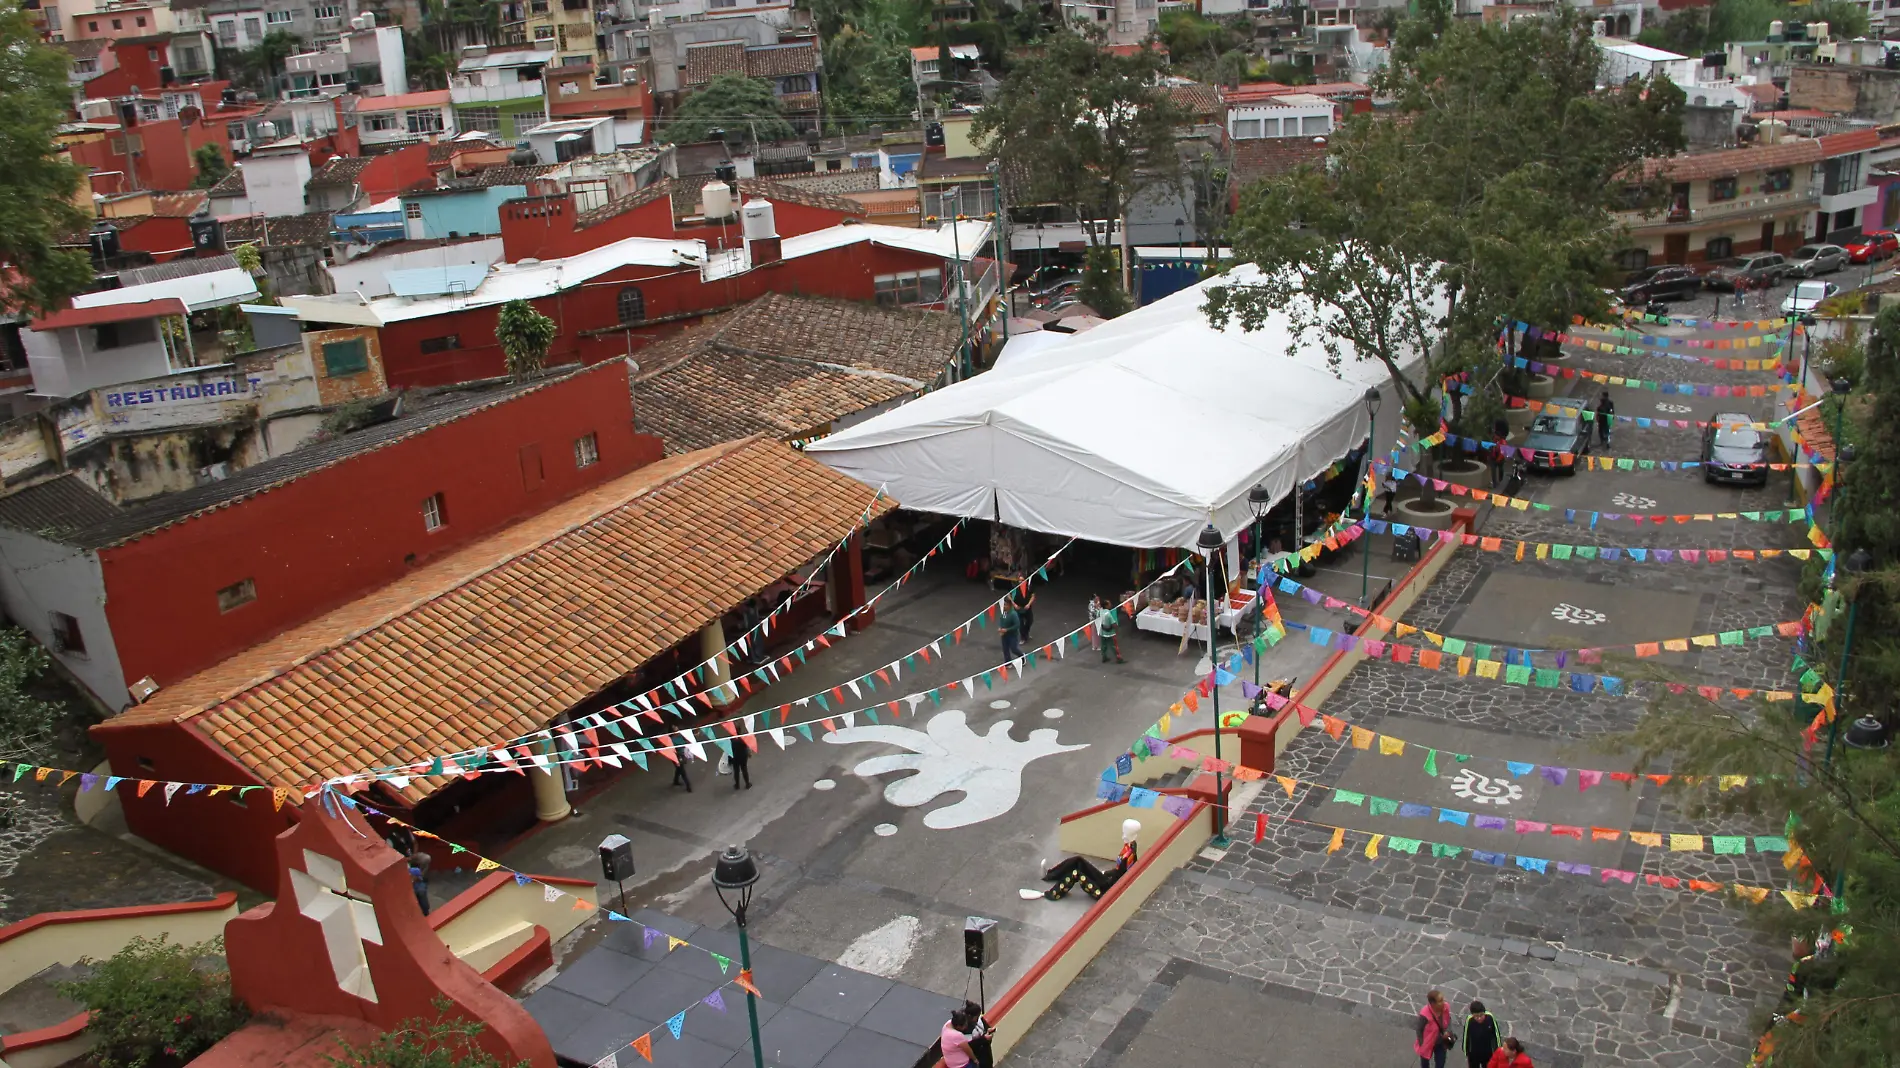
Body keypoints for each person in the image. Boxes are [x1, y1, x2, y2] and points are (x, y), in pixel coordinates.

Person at [1043, 819, 1139, 900]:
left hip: (1106, 890)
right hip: (1107, 881)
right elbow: (1119, 872)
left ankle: (1053, 894)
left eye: (1124, 832)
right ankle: (1051, 874)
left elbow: (1121, 876)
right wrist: (1105, 873)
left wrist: (1105, 876)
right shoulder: (1131, 847)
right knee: (1078, 860)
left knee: (1076, 873)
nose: (1123, 835)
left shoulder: (1128, 855)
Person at [1415, 990, 1454, 1068]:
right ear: (1433, 1003)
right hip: (1428, 1042)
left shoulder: (1445, 1007)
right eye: (1440, 1001)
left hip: (1441, 1041)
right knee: (1425, 1063)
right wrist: (1421, 1043)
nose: (1444, 1002)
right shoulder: (1425, 1014)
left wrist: (1448, 1031)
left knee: (1440, 1063)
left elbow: (1448, 1019)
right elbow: (1419, 1029)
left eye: (1443, 999)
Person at [1463, 1001, 1503, 1068]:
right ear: (1472, 1015)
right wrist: (1466, 1051)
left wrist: (1498, 1050)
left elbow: (1497, 1034)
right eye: (1476, 1016)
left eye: (1481, 1015)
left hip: (1487, 1052)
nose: (1479, 1018)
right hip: (1474, 1053)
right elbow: (1466, 1036)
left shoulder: (1490, 1017)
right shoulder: (1469, 1020)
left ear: (1484, 1012)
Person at [960, 1000, 995, 1068]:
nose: (978, 1019)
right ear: (970, 1016)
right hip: (977, 1054)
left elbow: (984, 1025)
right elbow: (969, 1044)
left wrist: (988, 1029)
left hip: (986, 1051)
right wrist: (983, 1039)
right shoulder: (966, 1029)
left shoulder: (978, 1018)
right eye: (976, 1017)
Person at [1096, 597, 1124, 664]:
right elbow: (1114, 624)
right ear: (1106, 605)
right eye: (1109, 604)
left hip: (1102, 632)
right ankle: (1119, 658)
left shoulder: (1099, 611)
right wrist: (1117, 630)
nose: (1110, 605)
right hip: (1110, 633)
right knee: (1114, 646)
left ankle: (1104, 657)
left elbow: (1098, 620)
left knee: (1103, 645)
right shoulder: (1108, 614)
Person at [408, 852, 432, 916]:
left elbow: (418, 879)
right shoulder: (413, 871)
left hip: (417, 886)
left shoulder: (415, 871)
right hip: (411, 887)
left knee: (421, 892)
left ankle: (425, 911)